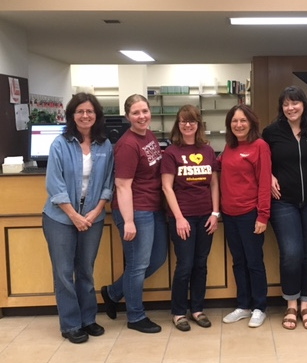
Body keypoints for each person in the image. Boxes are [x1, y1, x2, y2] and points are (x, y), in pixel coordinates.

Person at [42, 93, 114, 343]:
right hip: (60, 218)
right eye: (80, 111)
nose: (85, 116)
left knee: (86, 270)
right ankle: (71, 324)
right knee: (63, 272)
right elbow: (55, 184)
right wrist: (74, 215)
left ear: (97, 115)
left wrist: (96, 212)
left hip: (92, 217)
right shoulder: (60, 144)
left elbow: (108, 183)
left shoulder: (104, 144)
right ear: (72, 115)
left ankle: (88, 319)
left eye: (90, 111)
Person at [262, 86, 307, 330]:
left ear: (304, 104)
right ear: (281, 108)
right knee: (291, 253)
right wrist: (269, 176)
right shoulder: (271, 132)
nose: (290, 108)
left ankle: (306, 304)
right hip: (283, 201)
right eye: (286, 104)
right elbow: (262, 161)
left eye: (295, 103)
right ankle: (291, 303)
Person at [100, 94, 168, 333]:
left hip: (154, 207)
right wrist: (128, 221)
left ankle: (113, 292)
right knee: (138, 265)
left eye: (144, 111)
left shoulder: (148, 135)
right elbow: (122, 185)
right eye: (136, 113)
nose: (142, 116)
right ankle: (135, 316)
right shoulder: (127, 144)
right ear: (128, 116)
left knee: (157, 259)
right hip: (136, 211)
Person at [161, 105, 220, 331]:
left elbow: (214, 183)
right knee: (184, 265)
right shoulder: (171, 153)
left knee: (200, 265)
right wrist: (179, 218)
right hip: (182, 218)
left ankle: (197, 309)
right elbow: (167, 188)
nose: (188, 125)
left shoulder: (207, 150)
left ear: (198, 125)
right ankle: (178, 313)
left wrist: (215, 213)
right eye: (183, 121)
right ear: (178, 124)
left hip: (205, 217)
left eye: (192, 121)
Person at [219, 104, 272, 328]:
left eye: (242, 121)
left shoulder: (259, 146)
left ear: (251, 122)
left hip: (250, 214)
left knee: (254, 263)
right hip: (229, 214)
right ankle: (243, 305)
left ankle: (259, 307)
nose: (238, 125)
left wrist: (263, 216)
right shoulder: (229, 147)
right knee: (238, 262)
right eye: (234, 121)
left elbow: (264, 182)